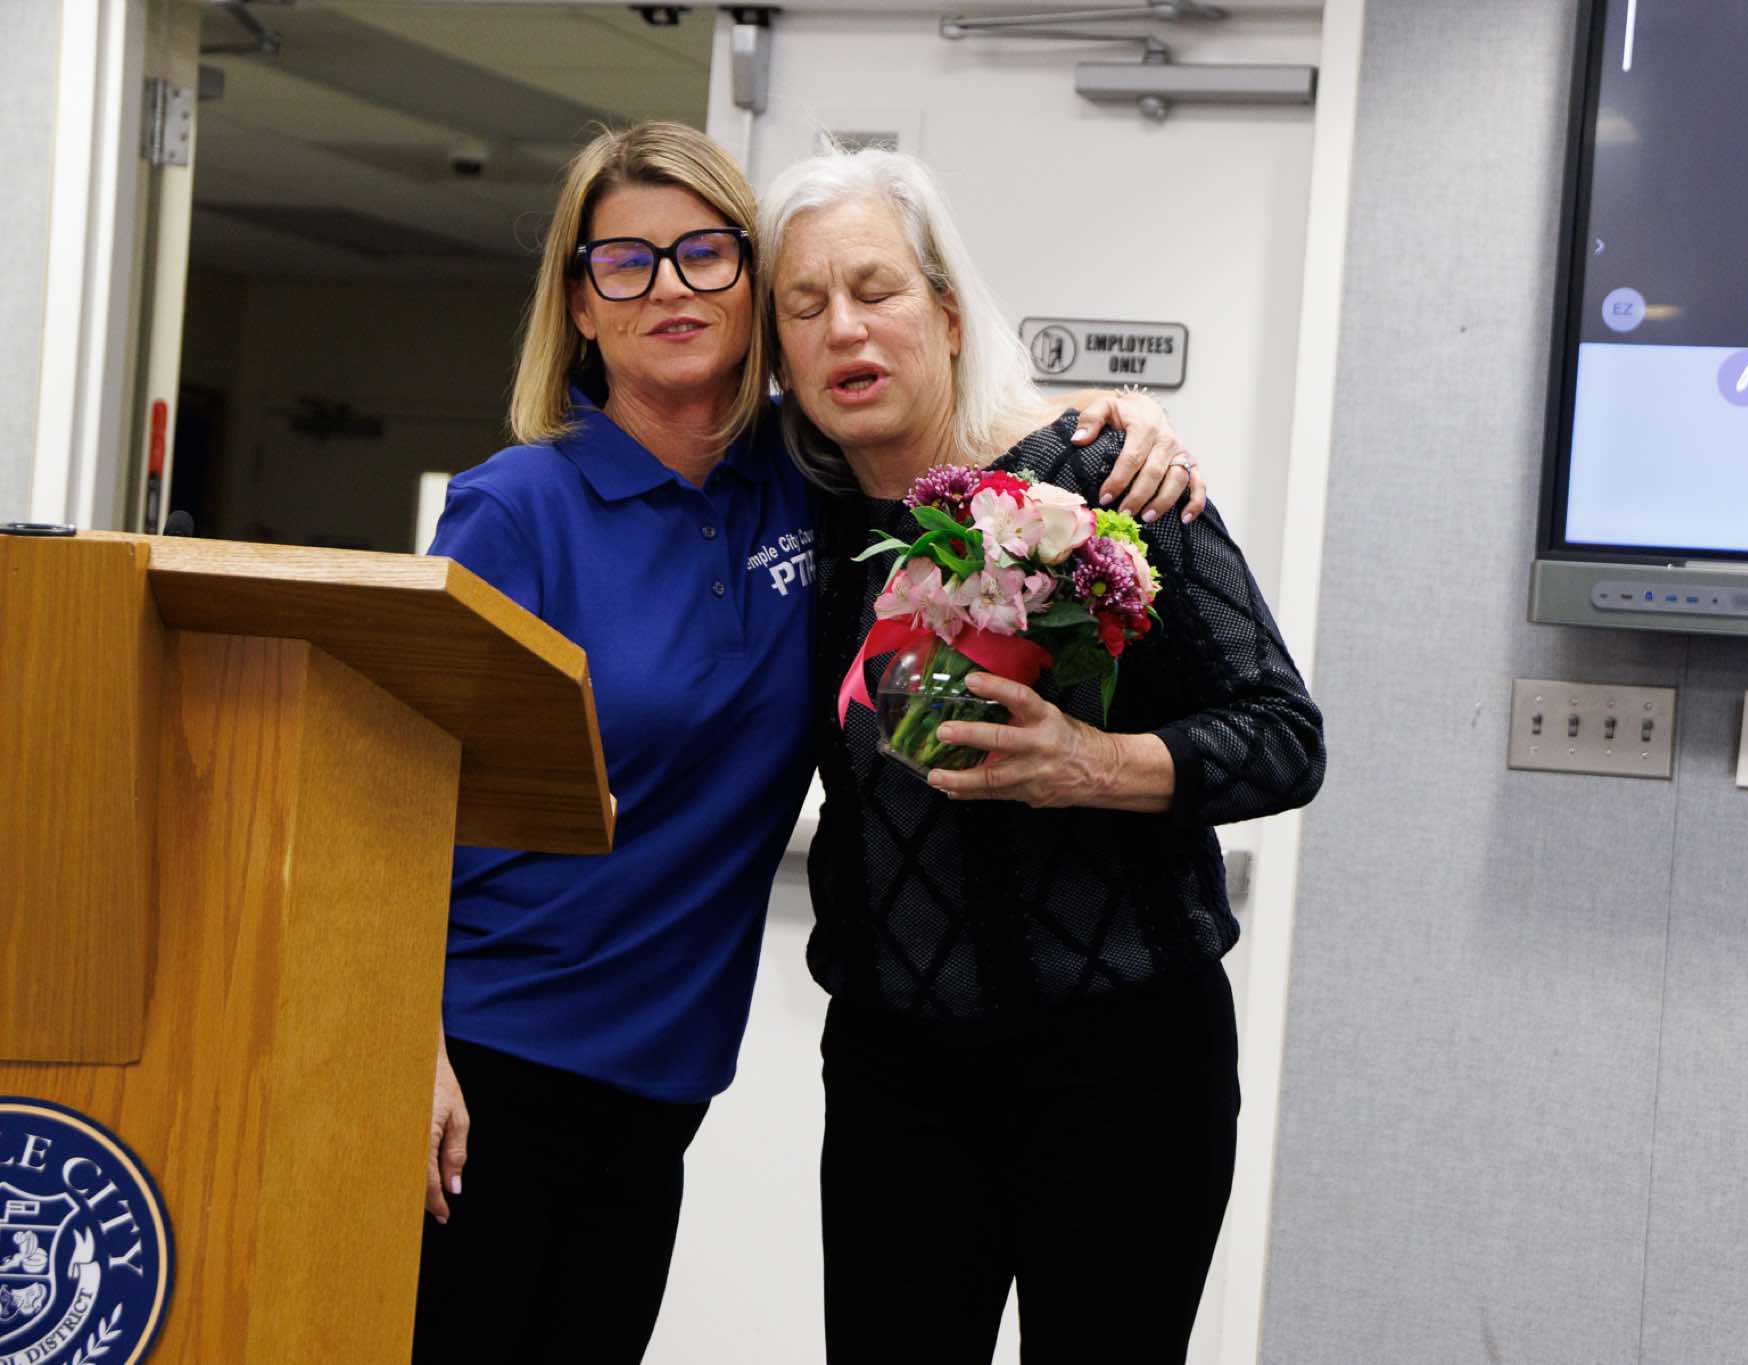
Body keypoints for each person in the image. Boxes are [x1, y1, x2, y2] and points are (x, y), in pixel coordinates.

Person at [412, 121, 1206, 1364]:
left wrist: (1116, 422)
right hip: (487, 1056)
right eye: (624, 261)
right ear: (578, 302)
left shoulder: (807, 486)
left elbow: (954, 419)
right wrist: (404, 1043)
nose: (669, 287)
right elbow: (390, 782)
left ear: (749, 288)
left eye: (704, 254)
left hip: (659, 1072)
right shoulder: (517, 508)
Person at [759, 147, 1326, 1363]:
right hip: (895, 1072)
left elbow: (1283, 736)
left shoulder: (1094, 478)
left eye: (874, 289)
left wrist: (1090, 763)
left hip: (1122, 1061)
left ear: (947, 313)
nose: (842, 327)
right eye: (803, 306)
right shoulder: (801, 518)